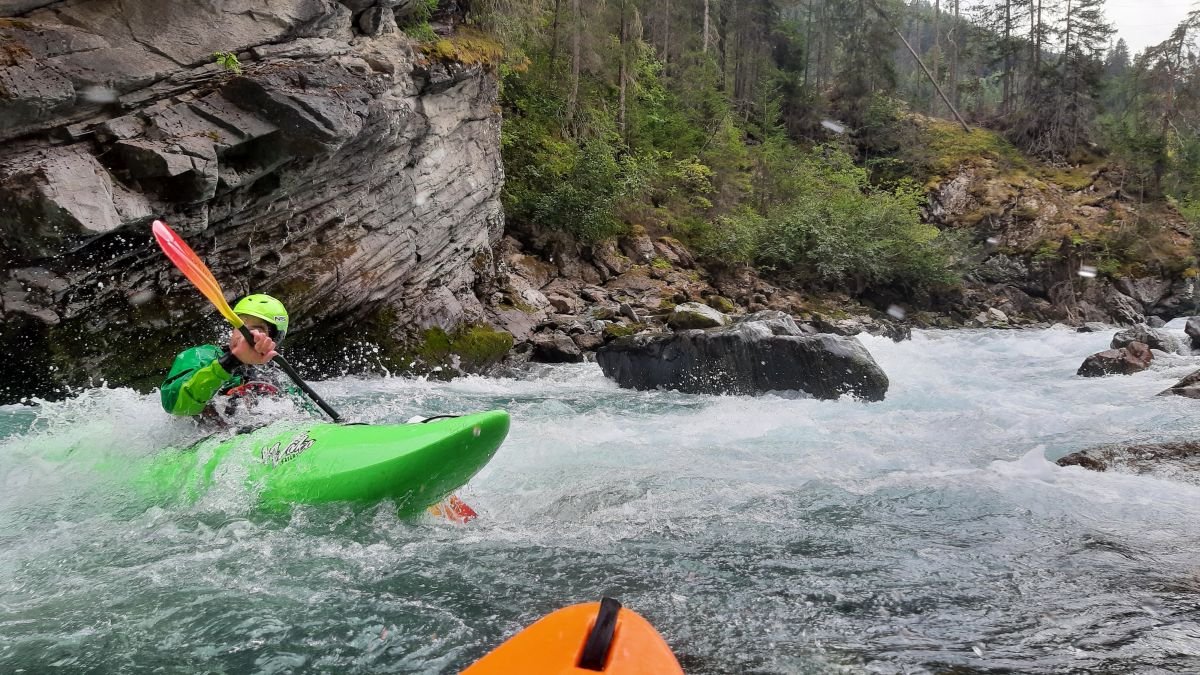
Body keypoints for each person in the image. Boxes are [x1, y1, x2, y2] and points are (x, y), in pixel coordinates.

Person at [160, 294, 296, 419]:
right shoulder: (202, 356)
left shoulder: (279, 374)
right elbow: (175, 406)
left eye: (257, 330)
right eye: (241, 327)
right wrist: (232, 360)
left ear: (274, 340)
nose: (242, 336)